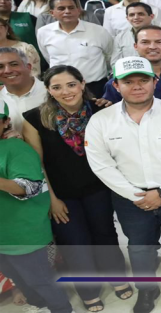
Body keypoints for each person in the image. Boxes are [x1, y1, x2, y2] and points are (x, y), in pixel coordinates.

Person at [84, 57, 161, 313]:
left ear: (155, 81)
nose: (137, 86)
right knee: (139, 247)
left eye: (143, 80)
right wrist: (136, 195)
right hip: (130, 199)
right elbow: (101, 165)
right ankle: (147, 289)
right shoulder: (100, 121)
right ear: (116, 85)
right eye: (128, 82)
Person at [22, 65, 132, 312]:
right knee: (75, 243)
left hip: (98, 188)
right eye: (57, 87)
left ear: (82, 84)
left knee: (105, 235)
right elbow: (37, 165)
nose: (66, 91)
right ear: (48, 90)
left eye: (71, 84)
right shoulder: (34, 119)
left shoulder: (101, 110)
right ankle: (89, 290)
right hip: (62, 195)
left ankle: (116, 276)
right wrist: (51, 199)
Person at [0, 98, 74, 313]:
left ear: (5, 122)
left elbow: (30, 187)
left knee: (39, 280)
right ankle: (39, 305)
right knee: (16, 277)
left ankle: (62, 309)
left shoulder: (15, 148)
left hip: (23, 234)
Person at [37, 0, 113, 97]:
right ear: (52, 13)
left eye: (71, 7)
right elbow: (47, 57)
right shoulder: (43, 32)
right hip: (62, 89)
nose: (67, 11)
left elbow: (110, 56)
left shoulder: (98, 31)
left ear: (78, 10)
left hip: (95, 87)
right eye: (61, 8)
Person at [103, 25, 161, 107]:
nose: (152, 47)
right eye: (145, 42)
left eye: (159, 42)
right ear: (135, 46)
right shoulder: (121, 78)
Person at [112, 2, 161, 66]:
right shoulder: (120, 37)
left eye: (141, 14)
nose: (136, 17)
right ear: (127, 18)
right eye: (132, 15)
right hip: (128, 74)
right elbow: (115, 63)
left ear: (151, 16)